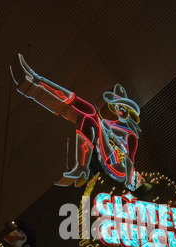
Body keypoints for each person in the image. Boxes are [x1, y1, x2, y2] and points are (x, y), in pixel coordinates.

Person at [11, 54, 144, 190]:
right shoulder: (109, 124)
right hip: (106, 151)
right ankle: (36, 81)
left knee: (91, 113)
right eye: (117, 107)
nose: (119, 111)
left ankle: (35, 83)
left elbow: (130, 160)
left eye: (124, 110)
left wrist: (129, 180)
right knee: (88, 117)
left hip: (116, 165)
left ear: (130, 115)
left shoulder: (130, 135)